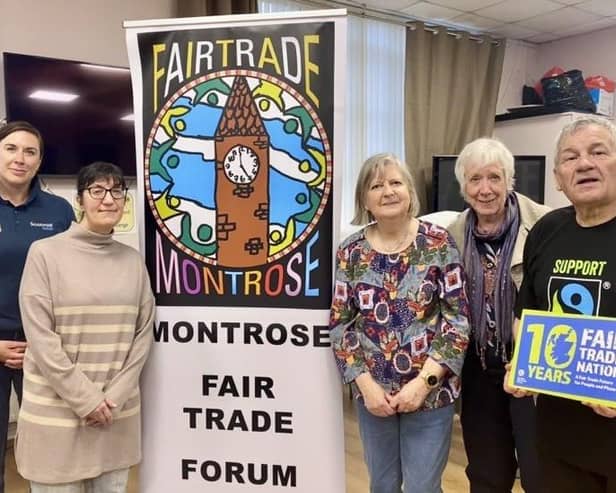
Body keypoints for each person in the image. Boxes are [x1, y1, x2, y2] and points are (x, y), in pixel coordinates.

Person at [329, 153, 470, 493]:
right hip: (373, 396)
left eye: (396, 182)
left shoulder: (438, 243)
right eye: (376, 185)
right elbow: (340, 324)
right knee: (382, 484)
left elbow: (458, 319)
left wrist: (424, 384)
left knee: (423, 487)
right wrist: (366, 386)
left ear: (409, 191)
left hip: (430, 394)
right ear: (365, 198)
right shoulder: (351, 252)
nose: (388, 191)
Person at [16, 161, 155, 492]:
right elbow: (41, 337)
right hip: (57, 416)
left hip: (115, 417)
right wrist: (86, 400)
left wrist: (114, 397)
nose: (108, 199)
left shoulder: (133, 261)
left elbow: (143, 333)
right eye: (97, 191)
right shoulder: (45, 254)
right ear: (79, 200)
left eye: (117, 191)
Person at [505, 115, 616, 492]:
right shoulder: (547, 230)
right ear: (557, 177)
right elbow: (527, 313)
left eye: (598, 152)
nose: (584, 163)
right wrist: (522, 363)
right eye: (570, 158)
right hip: (559, 436)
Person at [448, 137, 550, 493]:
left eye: (494, 177)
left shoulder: (545, 225)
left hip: (531, 369)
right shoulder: (451, 235)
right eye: (475, 179)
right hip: (478, 368)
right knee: (487, 474)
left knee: (542, 473)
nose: (485, 189)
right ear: (463, 187)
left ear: (510, 180)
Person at [0, 121, 74, 492]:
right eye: (11, 148)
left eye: (30, 152)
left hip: (44, 347)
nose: (20, 158)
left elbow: (73, 275)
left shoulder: (59, 210)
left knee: (51, 447)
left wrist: (47, 342)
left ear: (40, 160)